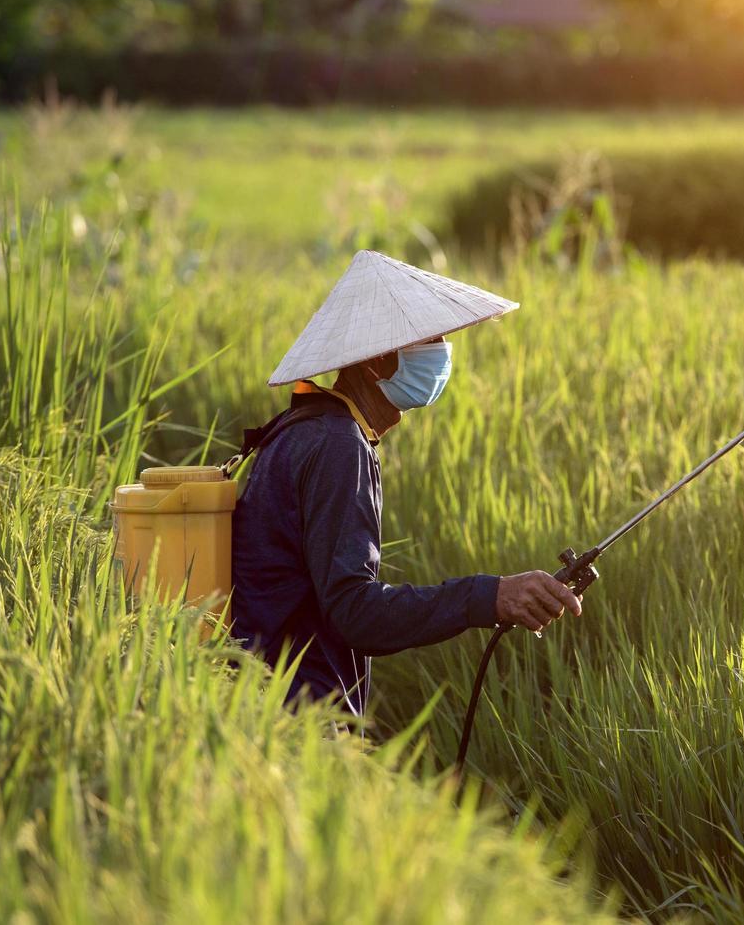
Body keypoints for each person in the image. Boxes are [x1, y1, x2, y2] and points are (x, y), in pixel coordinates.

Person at [231, 250, 580, 715]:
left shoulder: (312, 428)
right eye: (426, 338)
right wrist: (491, 596)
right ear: (376, 361)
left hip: (268, 690)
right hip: (293, 710)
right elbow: (357, 613)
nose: (440, 350)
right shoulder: (337, 445)